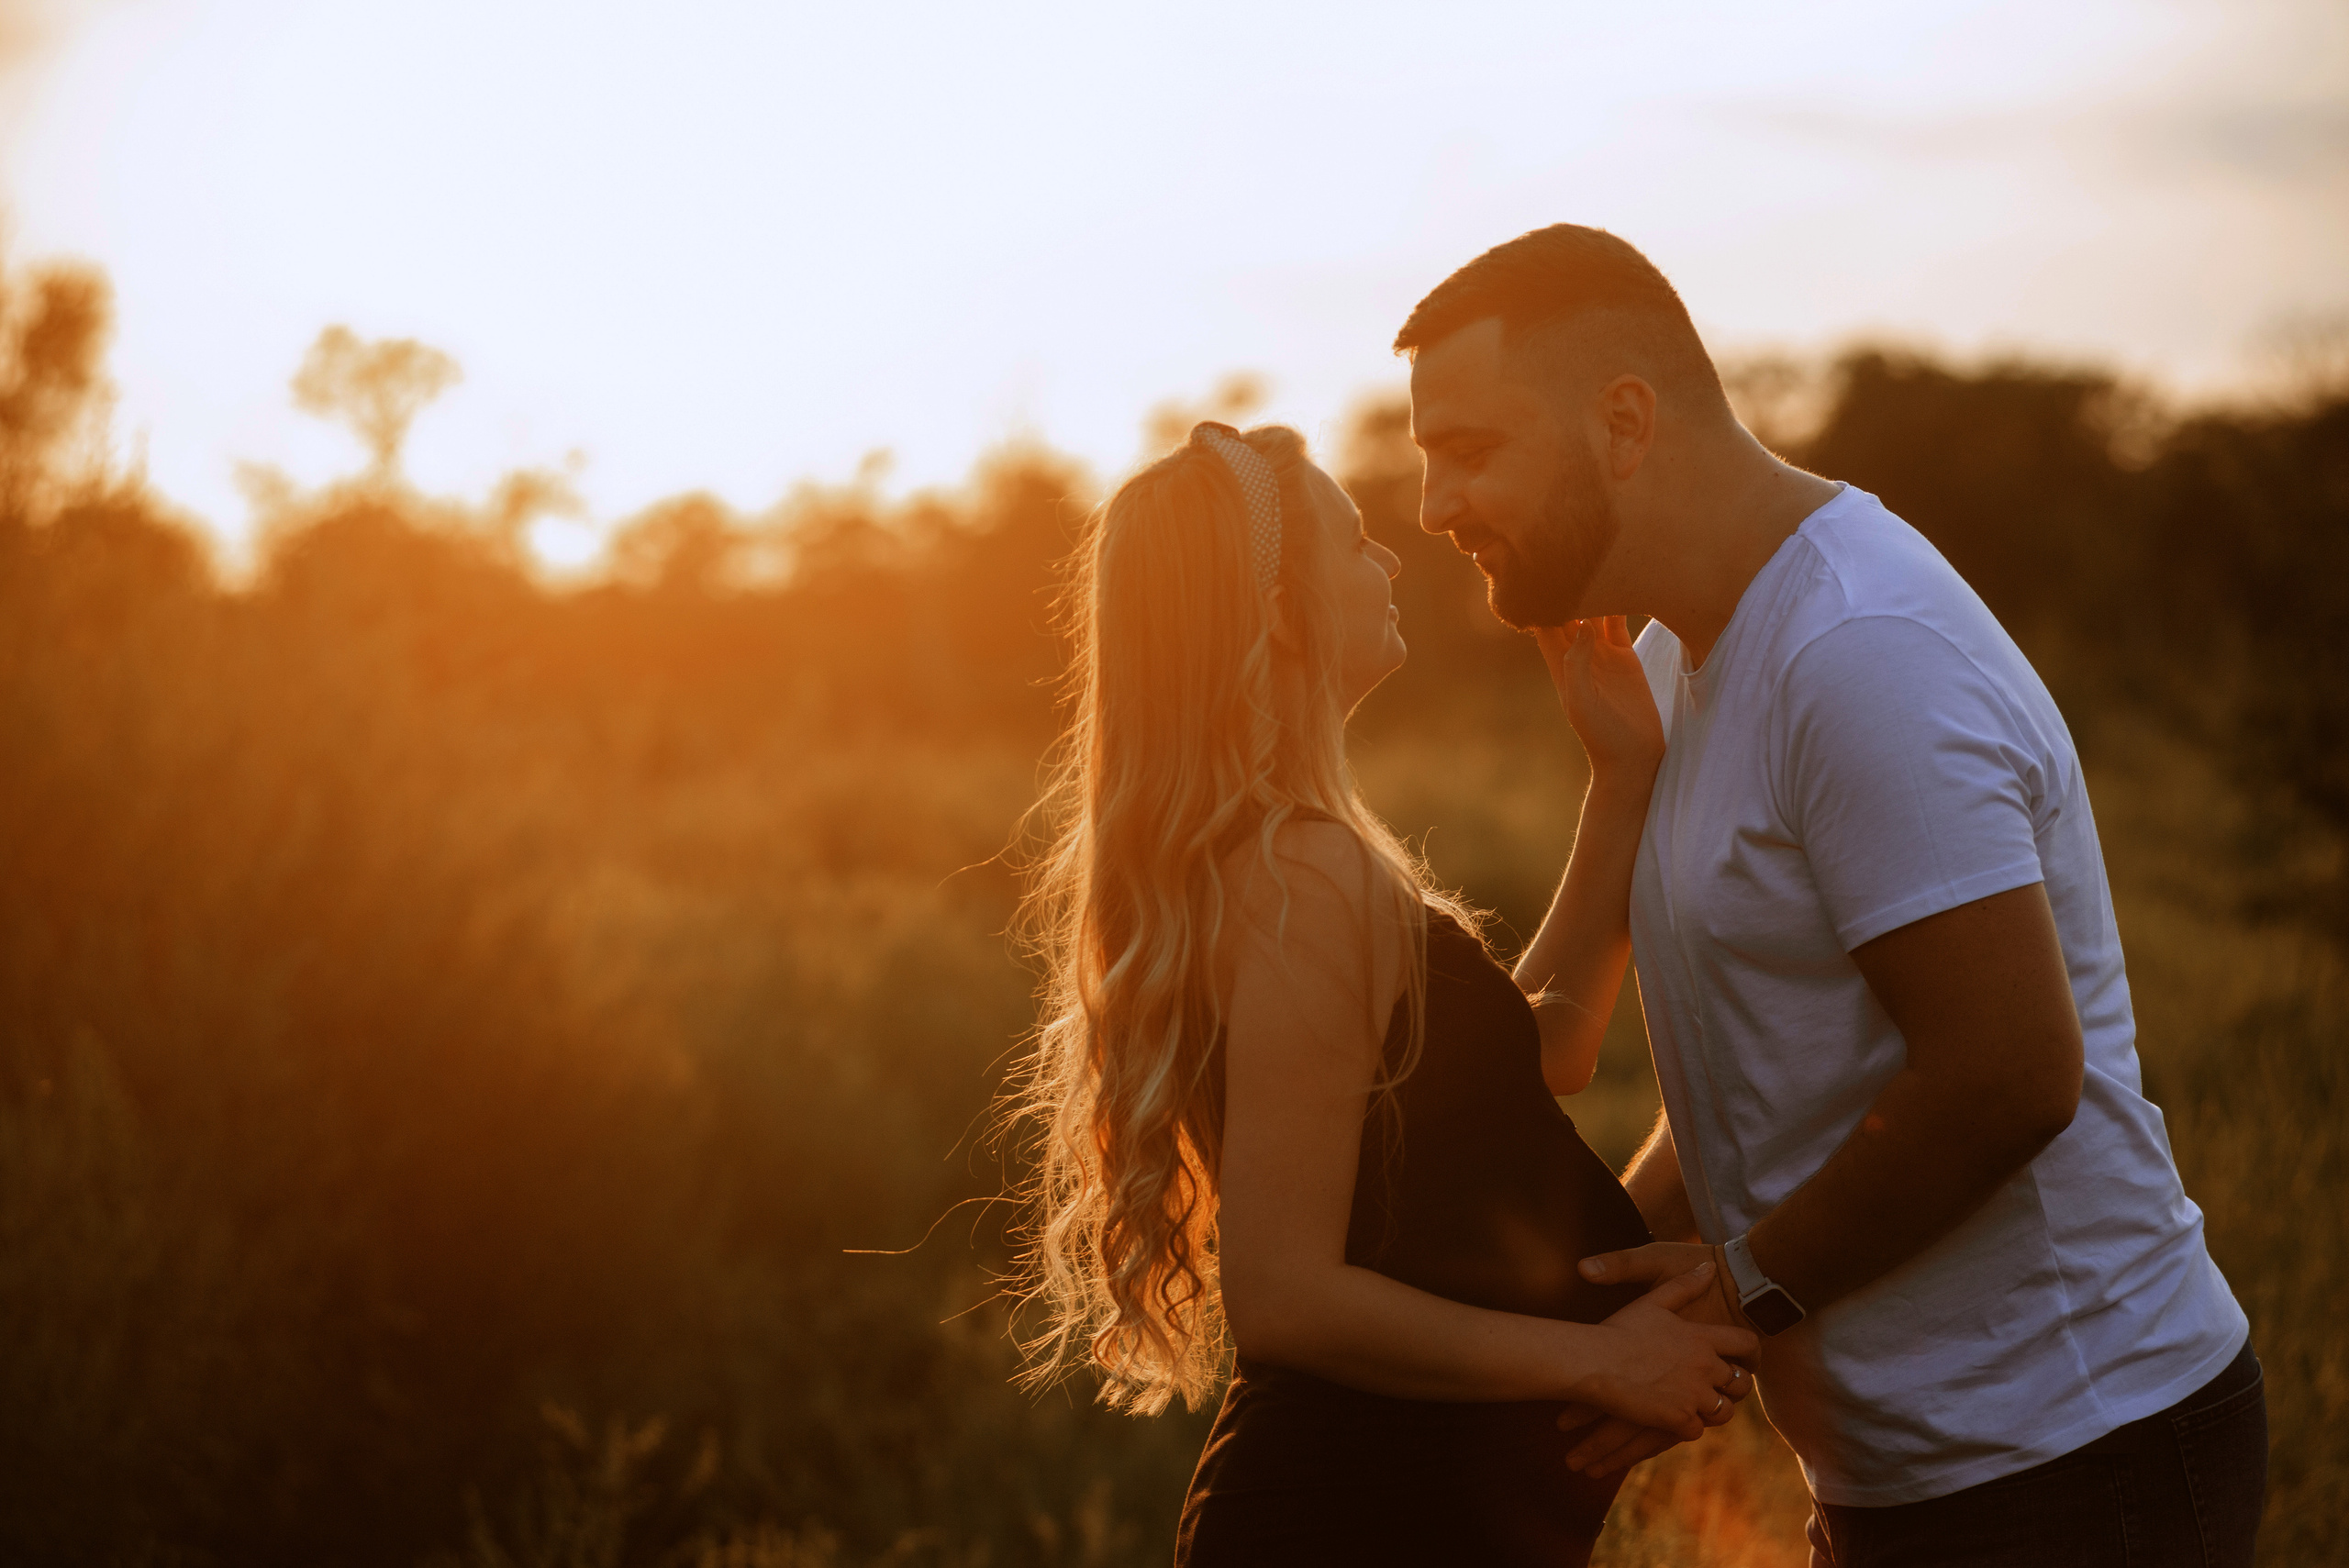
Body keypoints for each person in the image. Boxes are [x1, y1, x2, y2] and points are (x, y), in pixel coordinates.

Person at [1393, 223, 2266, 1567]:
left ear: (1624, 421)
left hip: (2082, 1456)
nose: (1433, 503)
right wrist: (1604, 1293)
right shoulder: (1683, 650)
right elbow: (1773, 1069)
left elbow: (2009, 1070)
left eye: (1470, 447)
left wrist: (1737, 1288)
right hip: (1905, 1476)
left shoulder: (1860, 651)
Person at [1009, 418, 1759, 1564]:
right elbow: (1287, 1299)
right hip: (1354, 1517)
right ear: (1274, 611)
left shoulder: (1293, 858)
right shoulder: (1297, 874)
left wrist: (1622, 781)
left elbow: (1533, 1058)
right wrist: (1600, 1359)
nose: (1393, 559)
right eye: (1355, 541)